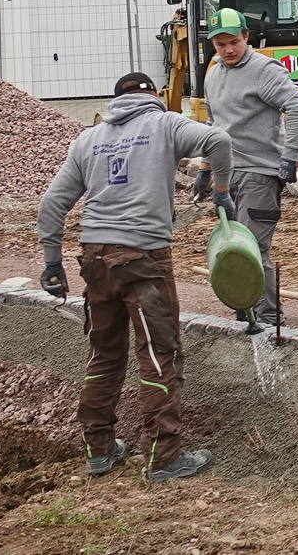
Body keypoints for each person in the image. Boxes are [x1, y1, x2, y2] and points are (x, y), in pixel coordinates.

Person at [37, 71, 232, 483]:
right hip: (143, 260)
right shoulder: (165, 124)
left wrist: (52, 261)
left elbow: (53, 203)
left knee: (104, 355)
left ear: (116, 101)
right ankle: (164, 459)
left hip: (94, 259)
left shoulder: (87, 140)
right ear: (157, 96)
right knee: (159, 354)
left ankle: (99, 451)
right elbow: (219, 140)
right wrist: (221, 187)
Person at [199, 6, 298, 330]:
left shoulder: (264, 70)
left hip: (259, 175)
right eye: (221, 45)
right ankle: (243, 317)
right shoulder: (214, 73)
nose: (228, 50)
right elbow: (213, 124)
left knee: (253, 250)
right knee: (232, 251)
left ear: (246, 36)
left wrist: (289, 157)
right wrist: (205, 169)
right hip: (226, 177)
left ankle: (268, 322)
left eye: (234, 41)